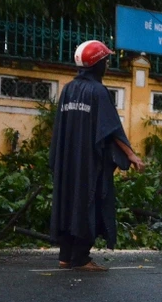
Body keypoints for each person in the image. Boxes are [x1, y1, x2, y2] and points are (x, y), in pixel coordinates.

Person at [50, 40, 145, 271]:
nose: (108, 65)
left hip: (66, 162)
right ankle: (81, 258)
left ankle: (65, 256)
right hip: (88, 163)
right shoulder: (98, 91)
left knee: (67, 204)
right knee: (88, 203)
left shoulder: (68, 89)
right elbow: (111, 129)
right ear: (97, 64)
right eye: (105, 61)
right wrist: (131, 155)